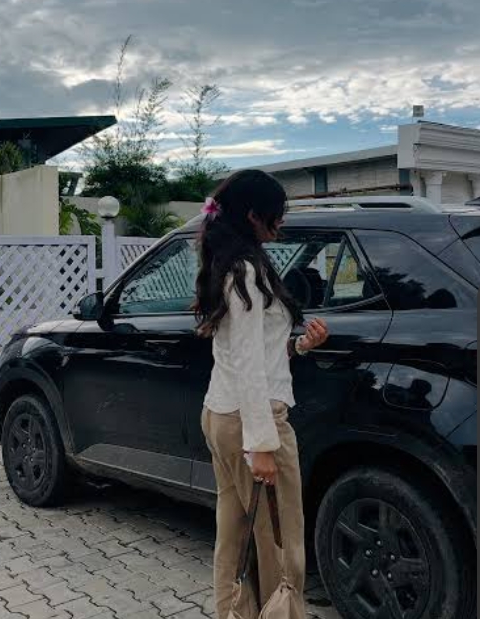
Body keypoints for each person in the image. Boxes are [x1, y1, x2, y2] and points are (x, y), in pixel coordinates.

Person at [194, 169, 328, 619]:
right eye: (277, 213)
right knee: (280, 544)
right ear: (253, 215)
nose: (281, 222)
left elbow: (251, 351)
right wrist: (263, 444)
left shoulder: (231, 266)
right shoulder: (247, 271)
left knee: (233, 537)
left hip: (222, 415)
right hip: (253, 421)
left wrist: (300, 346)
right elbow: (249, 363)